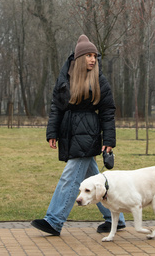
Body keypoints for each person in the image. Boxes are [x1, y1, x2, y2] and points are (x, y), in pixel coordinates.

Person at [31, 34, 125, 236]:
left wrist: (108, 140)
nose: (93, 59)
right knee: (94, 179)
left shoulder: (99, 79)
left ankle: (54, 221)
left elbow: (108, 111)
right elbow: (57, 107)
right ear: (79, 58)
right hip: (69, 132)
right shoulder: (65, 78)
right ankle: (116, 219)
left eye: (95, 56)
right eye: (89, 55)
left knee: (70, 177)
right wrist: (52, 132)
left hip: (89, 133)